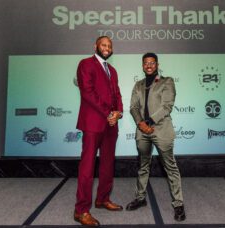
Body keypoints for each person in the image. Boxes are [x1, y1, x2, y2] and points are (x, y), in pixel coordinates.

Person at [126, 53, 186, 221]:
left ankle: (179, 204)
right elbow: (133, 107)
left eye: (152, 63)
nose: (149, 65)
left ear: (157, 64)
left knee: (170, 167)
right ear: (142, 65)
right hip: (142, 131)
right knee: (143, 165)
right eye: (146, 63)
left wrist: (149, 122)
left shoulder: (167, 81)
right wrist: (141, 123)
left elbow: (167, 106)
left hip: (161, 130)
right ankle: (140, 198)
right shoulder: (138, 85)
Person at [74, 36, 123, 227]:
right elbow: (87, 92)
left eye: (110, 46)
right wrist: (108, 112)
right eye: (104, 45)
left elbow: (117, 93)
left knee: (107, 164)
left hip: (111, 125)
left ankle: (102, 198)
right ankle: (81, 211)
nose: (107, 48)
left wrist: (118, 112)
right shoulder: (85, 64)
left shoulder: (113, 70)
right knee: (87, 168)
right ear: (95, 46)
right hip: (93, 123)